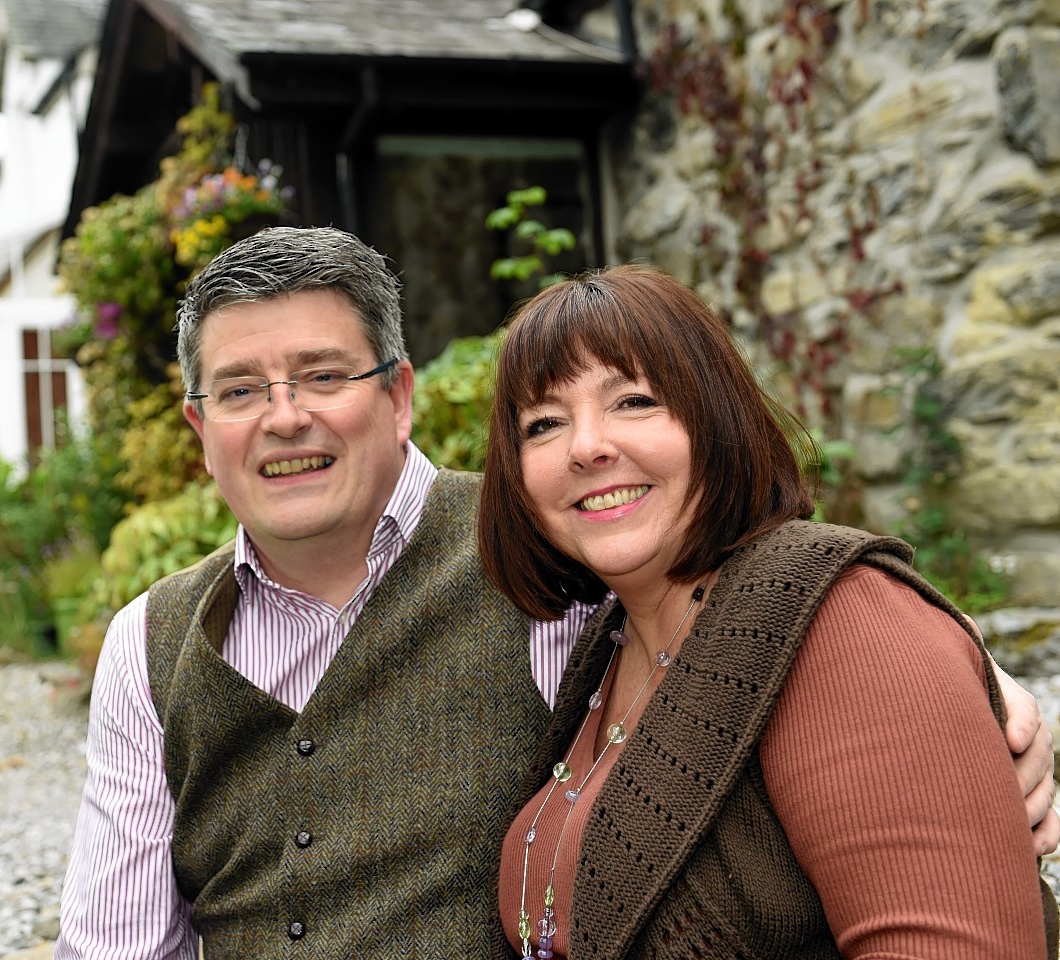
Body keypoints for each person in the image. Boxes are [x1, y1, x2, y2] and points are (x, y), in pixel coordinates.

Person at [56, 228, 1056, 960]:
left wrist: (965, 675)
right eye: (238, 391)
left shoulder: (539, 551)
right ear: (200, 430)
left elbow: (768, 588)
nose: (284, 418)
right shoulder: (148, 642)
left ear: (398, 397)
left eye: (322, 374)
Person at [478, 263, 1058, 959]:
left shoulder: (846, 619)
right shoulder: (604, 646)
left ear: (714, 417)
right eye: (544, 422)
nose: (586, 446)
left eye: (633, 401)